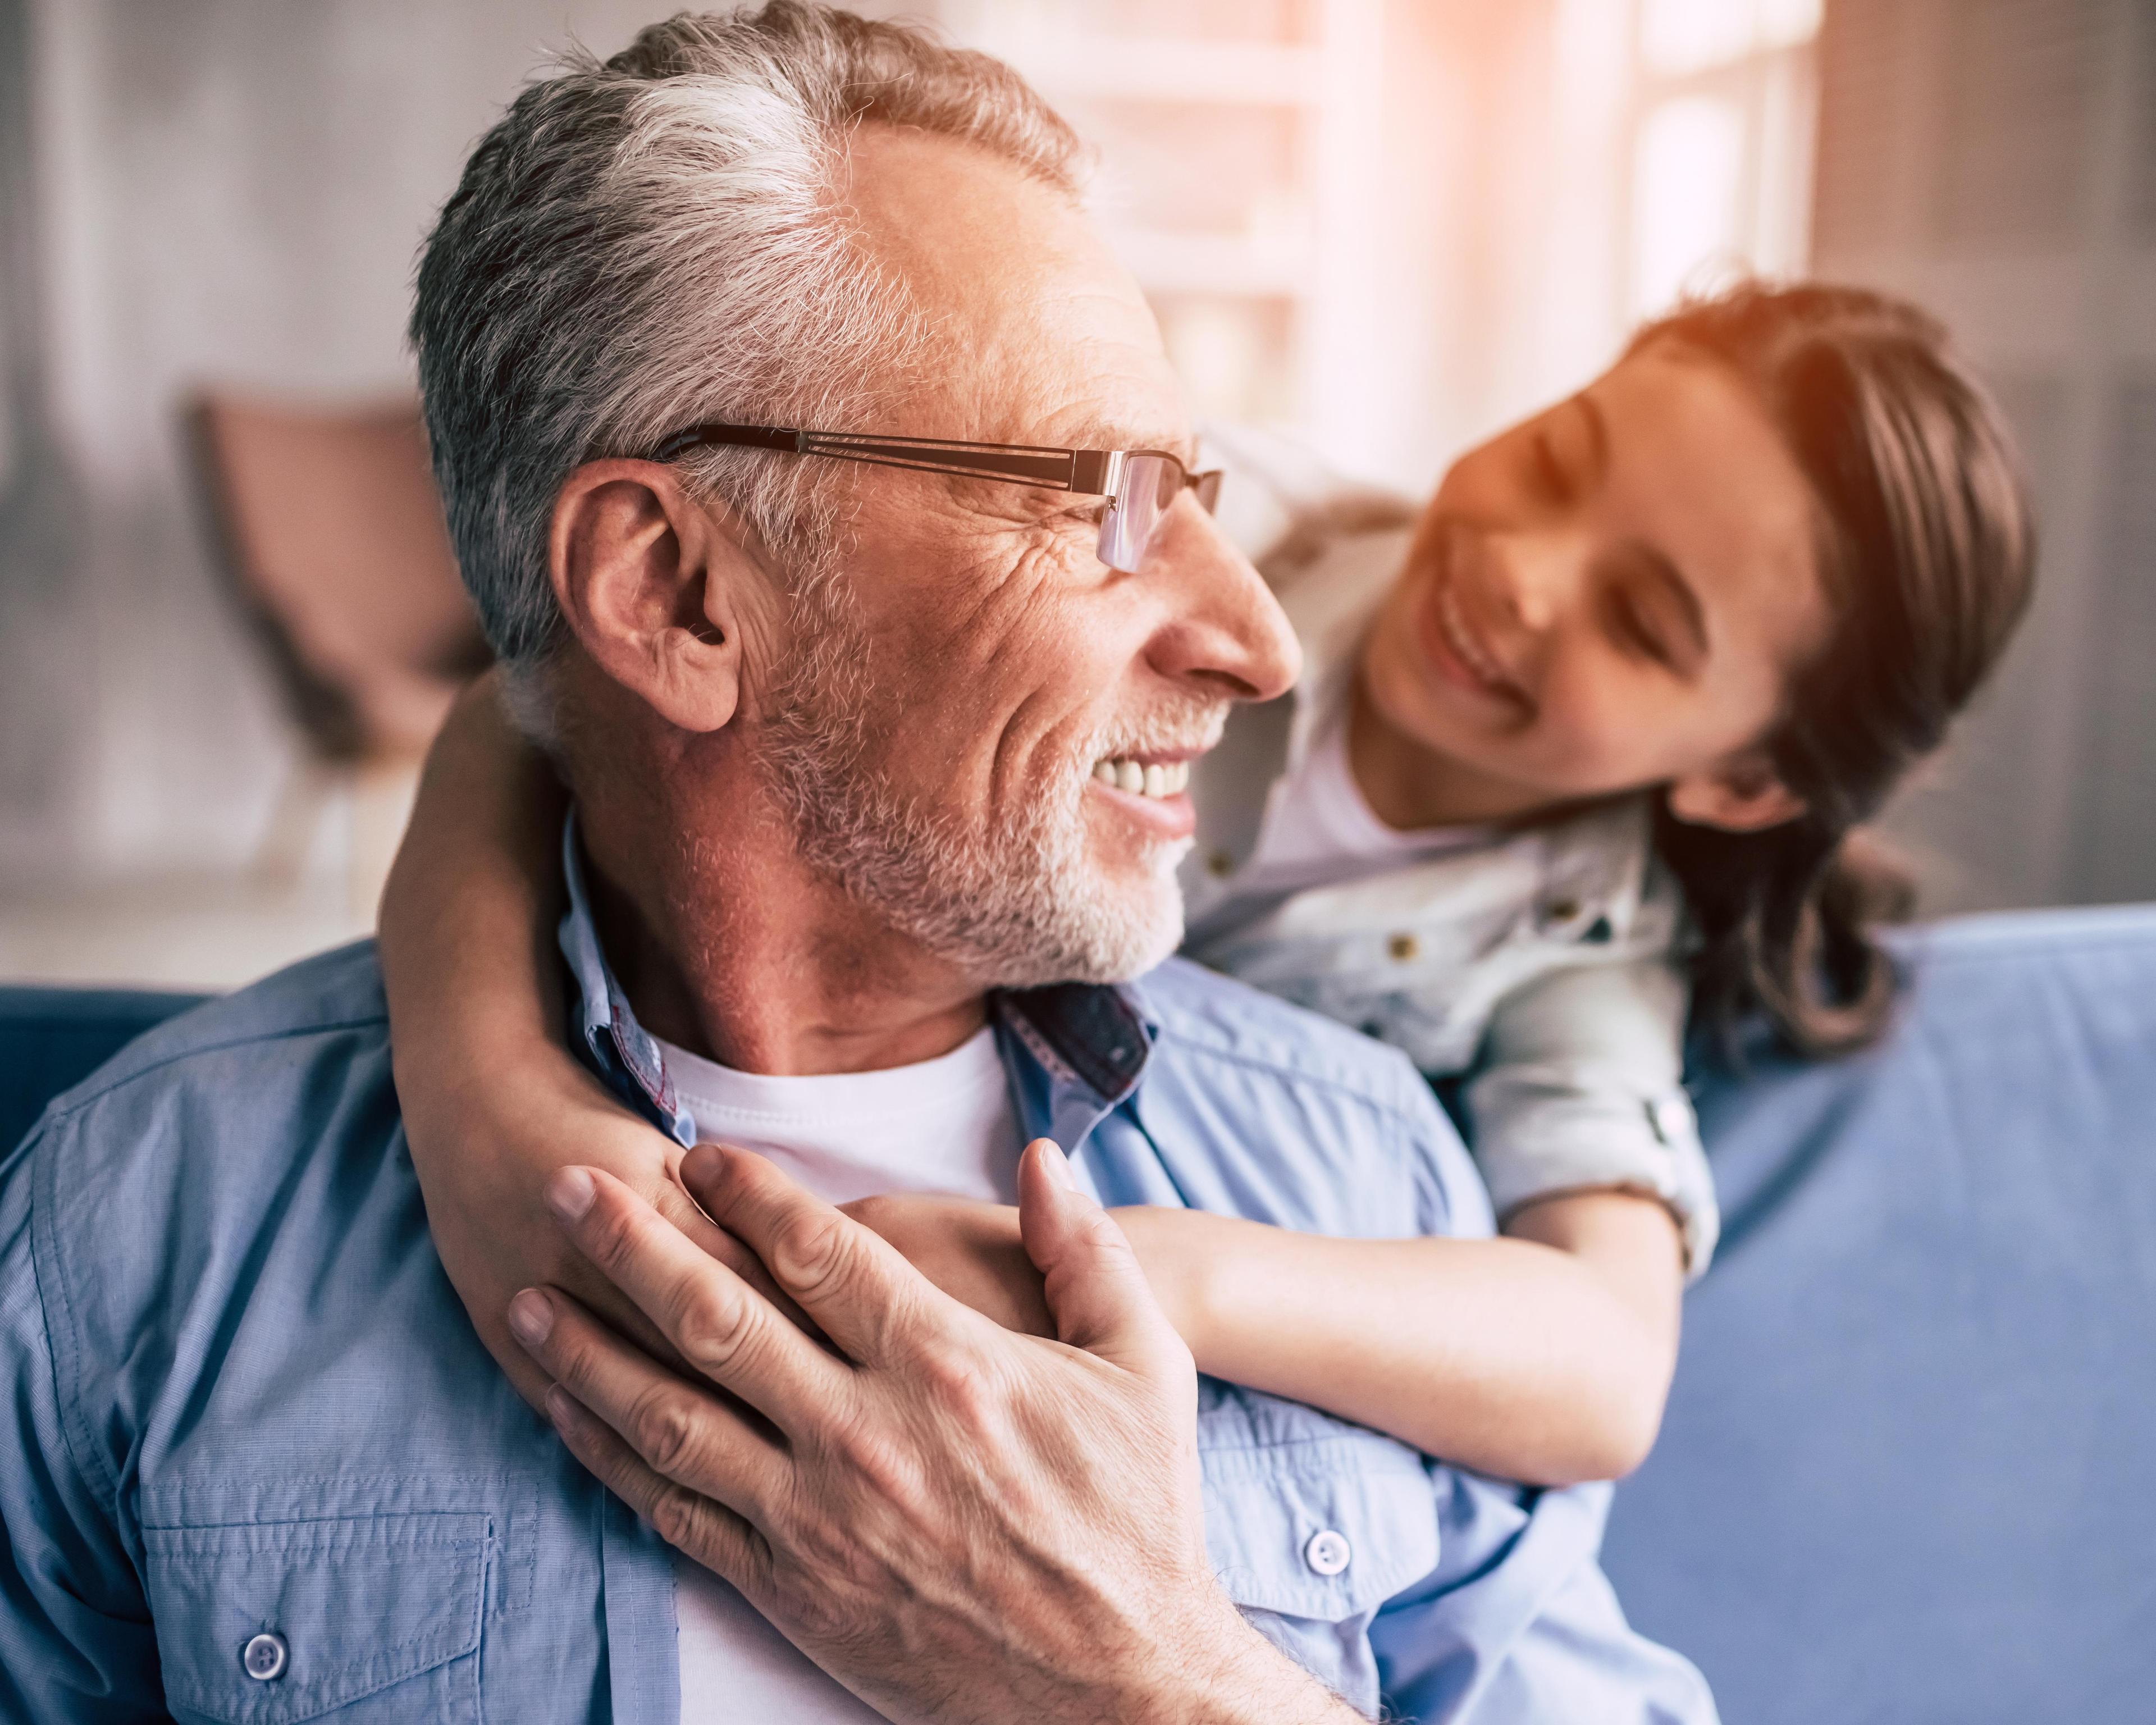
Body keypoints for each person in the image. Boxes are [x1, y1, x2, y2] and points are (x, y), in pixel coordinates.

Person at [0, 7, 1717, 1722]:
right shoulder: (141, 1236)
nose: (1258, 644)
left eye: (1199, 488)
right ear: (673, 595)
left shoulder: (1364, 1185)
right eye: (1104, 498)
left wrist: (1138, 1677)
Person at [387, 271, 2035, 1500]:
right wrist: (486, 1101)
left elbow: (1604, 1369)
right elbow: (541, 701)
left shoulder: (1578, 956)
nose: (1525, 574)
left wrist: (1148, 1271)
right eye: (1560, 458)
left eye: (1645, 623)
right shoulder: (1210, 511)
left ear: (1741, 780)